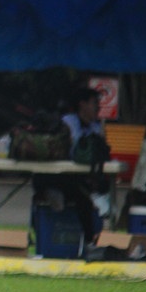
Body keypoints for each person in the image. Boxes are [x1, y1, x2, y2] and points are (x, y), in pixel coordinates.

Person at [34, 86, 107, 244]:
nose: (99, 107)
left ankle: (91, 241)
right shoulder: (67, 123)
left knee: (88, 196)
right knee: (79, 195)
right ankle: (89, 241)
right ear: (83, 104)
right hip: (60, 175)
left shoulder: (97, 127)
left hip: (81, 178)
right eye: (95, 103)